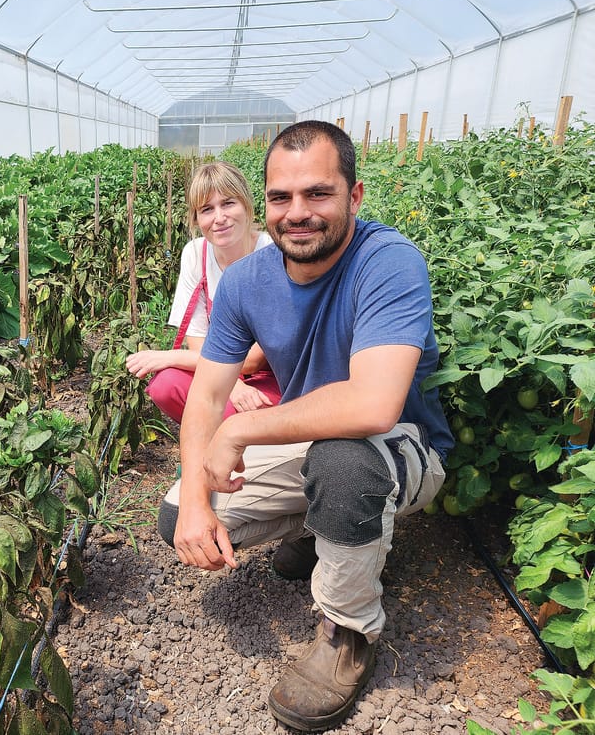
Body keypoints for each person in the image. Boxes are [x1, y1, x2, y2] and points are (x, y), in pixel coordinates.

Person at [156, 121, 454, 732]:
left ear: (355, 196)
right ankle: (326, 532)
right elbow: (207, 396)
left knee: (343, 465)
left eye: (318, 193)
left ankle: (347, 634)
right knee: (179, 514)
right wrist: (193, 497)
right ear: (265, 202)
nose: (298, 213)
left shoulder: (388, 262)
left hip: (403, 447)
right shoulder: (247, 281)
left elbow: (373, 405)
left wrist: (238, 434)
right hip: (313, 444)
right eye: (281, 197)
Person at [125, 161, 281, 422]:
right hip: (218, 368)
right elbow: (197, 341)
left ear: (247, 205)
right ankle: (211, 446)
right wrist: (230, 385)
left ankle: (225, 450)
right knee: (166, 386)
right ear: (196, 219)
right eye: (207, 209)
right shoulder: (196, 253)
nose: (219, 218)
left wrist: (168, 356)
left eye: (228, 203)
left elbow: (254, 360)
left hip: (270, 375)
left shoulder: (273, 254)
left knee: (230, 413)